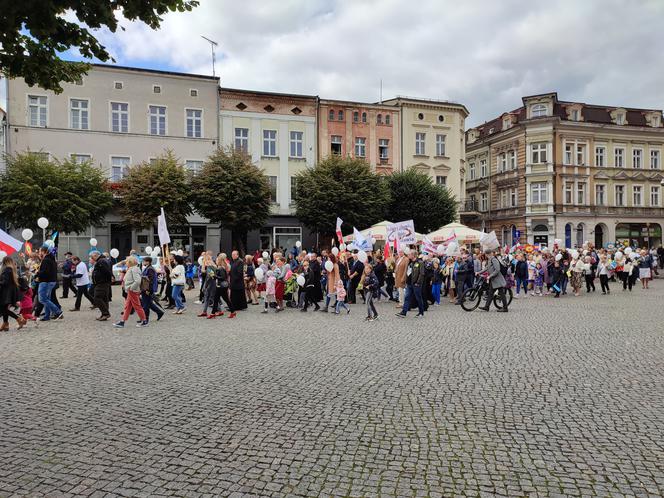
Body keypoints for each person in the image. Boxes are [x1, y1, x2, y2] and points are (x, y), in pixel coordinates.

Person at [114, 256, 148, 328]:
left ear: (130, 262)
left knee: (137, 306)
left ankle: (144, 321)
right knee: (128, 306)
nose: (125, 263)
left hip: (133, 290)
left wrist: (131, 288)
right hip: (131, 290)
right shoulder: (132, 268)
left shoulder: (134, 269)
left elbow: (137, 280)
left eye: (126, 261)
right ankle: (122, 321)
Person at [36, 246, 63, 321]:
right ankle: (47, 316)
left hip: (46, 281)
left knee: (42, 299)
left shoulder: (46, 260)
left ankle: (58, 311)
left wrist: (37, 273)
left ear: (43, 252)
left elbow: (45, 272)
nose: (39, 252)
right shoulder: (51, 259)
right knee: (47, 299)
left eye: (40, 251)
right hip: (51, 281)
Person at [395, 249, 425, 318]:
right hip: (409, 283)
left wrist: (418, 282)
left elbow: (421, 274)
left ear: (413, 255)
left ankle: (421, 312)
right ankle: (403, 312)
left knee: (418, 298)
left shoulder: (420, 262)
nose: (408, 255)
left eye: (409, 254)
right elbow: (408, 272)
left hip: (416, 283)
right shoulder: (410, 263)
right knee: (407, 297)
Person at [0, 256, 27, 330]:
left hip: (6, 292)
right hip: (10, 291)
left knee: (3, 308)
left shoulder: (7, 269)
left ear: (5, 262)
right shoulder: (11, 269)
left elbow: (5, 282)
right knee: (4, 308)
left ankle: (19, 319)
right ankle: (5, 324)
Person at [141, 257, 164, 323]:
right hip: (145, 288)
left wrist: (148, 290)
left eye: (144, 261)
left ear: (148, 262)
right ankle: (159, 312)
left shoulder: (150, 269)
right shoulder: (148, 268)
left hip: (147, 289)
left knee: (145, 304)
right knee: (149, 303)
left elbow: (150, 281)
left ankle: (145, 319)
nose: (143, 262)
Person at [91, 251, 112, 321]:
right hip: (103, 282)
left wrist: (109, 279)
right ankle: (104, 314)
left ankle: (105, 313)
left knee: (97, 298)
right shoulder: (102, 260)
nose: (92, 258)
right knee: (104, 298)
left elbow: (107, 271)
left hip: (102, 283)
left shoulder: (101, 261)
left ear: (96, 255)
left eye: (92, 256)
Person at [229, 250, 247, 317]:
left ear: (237, 255)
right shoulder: (232, 261)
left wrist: (235, 279)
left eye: (234, 255)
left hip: (237, 280)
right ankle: (234, 306)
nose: (232, 256)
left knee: (238, 294)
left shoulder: (240, 262)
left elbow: (239, 272)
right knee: (234, 294)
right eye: (232, 254)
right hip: (233, 280)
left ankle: (239, 306)